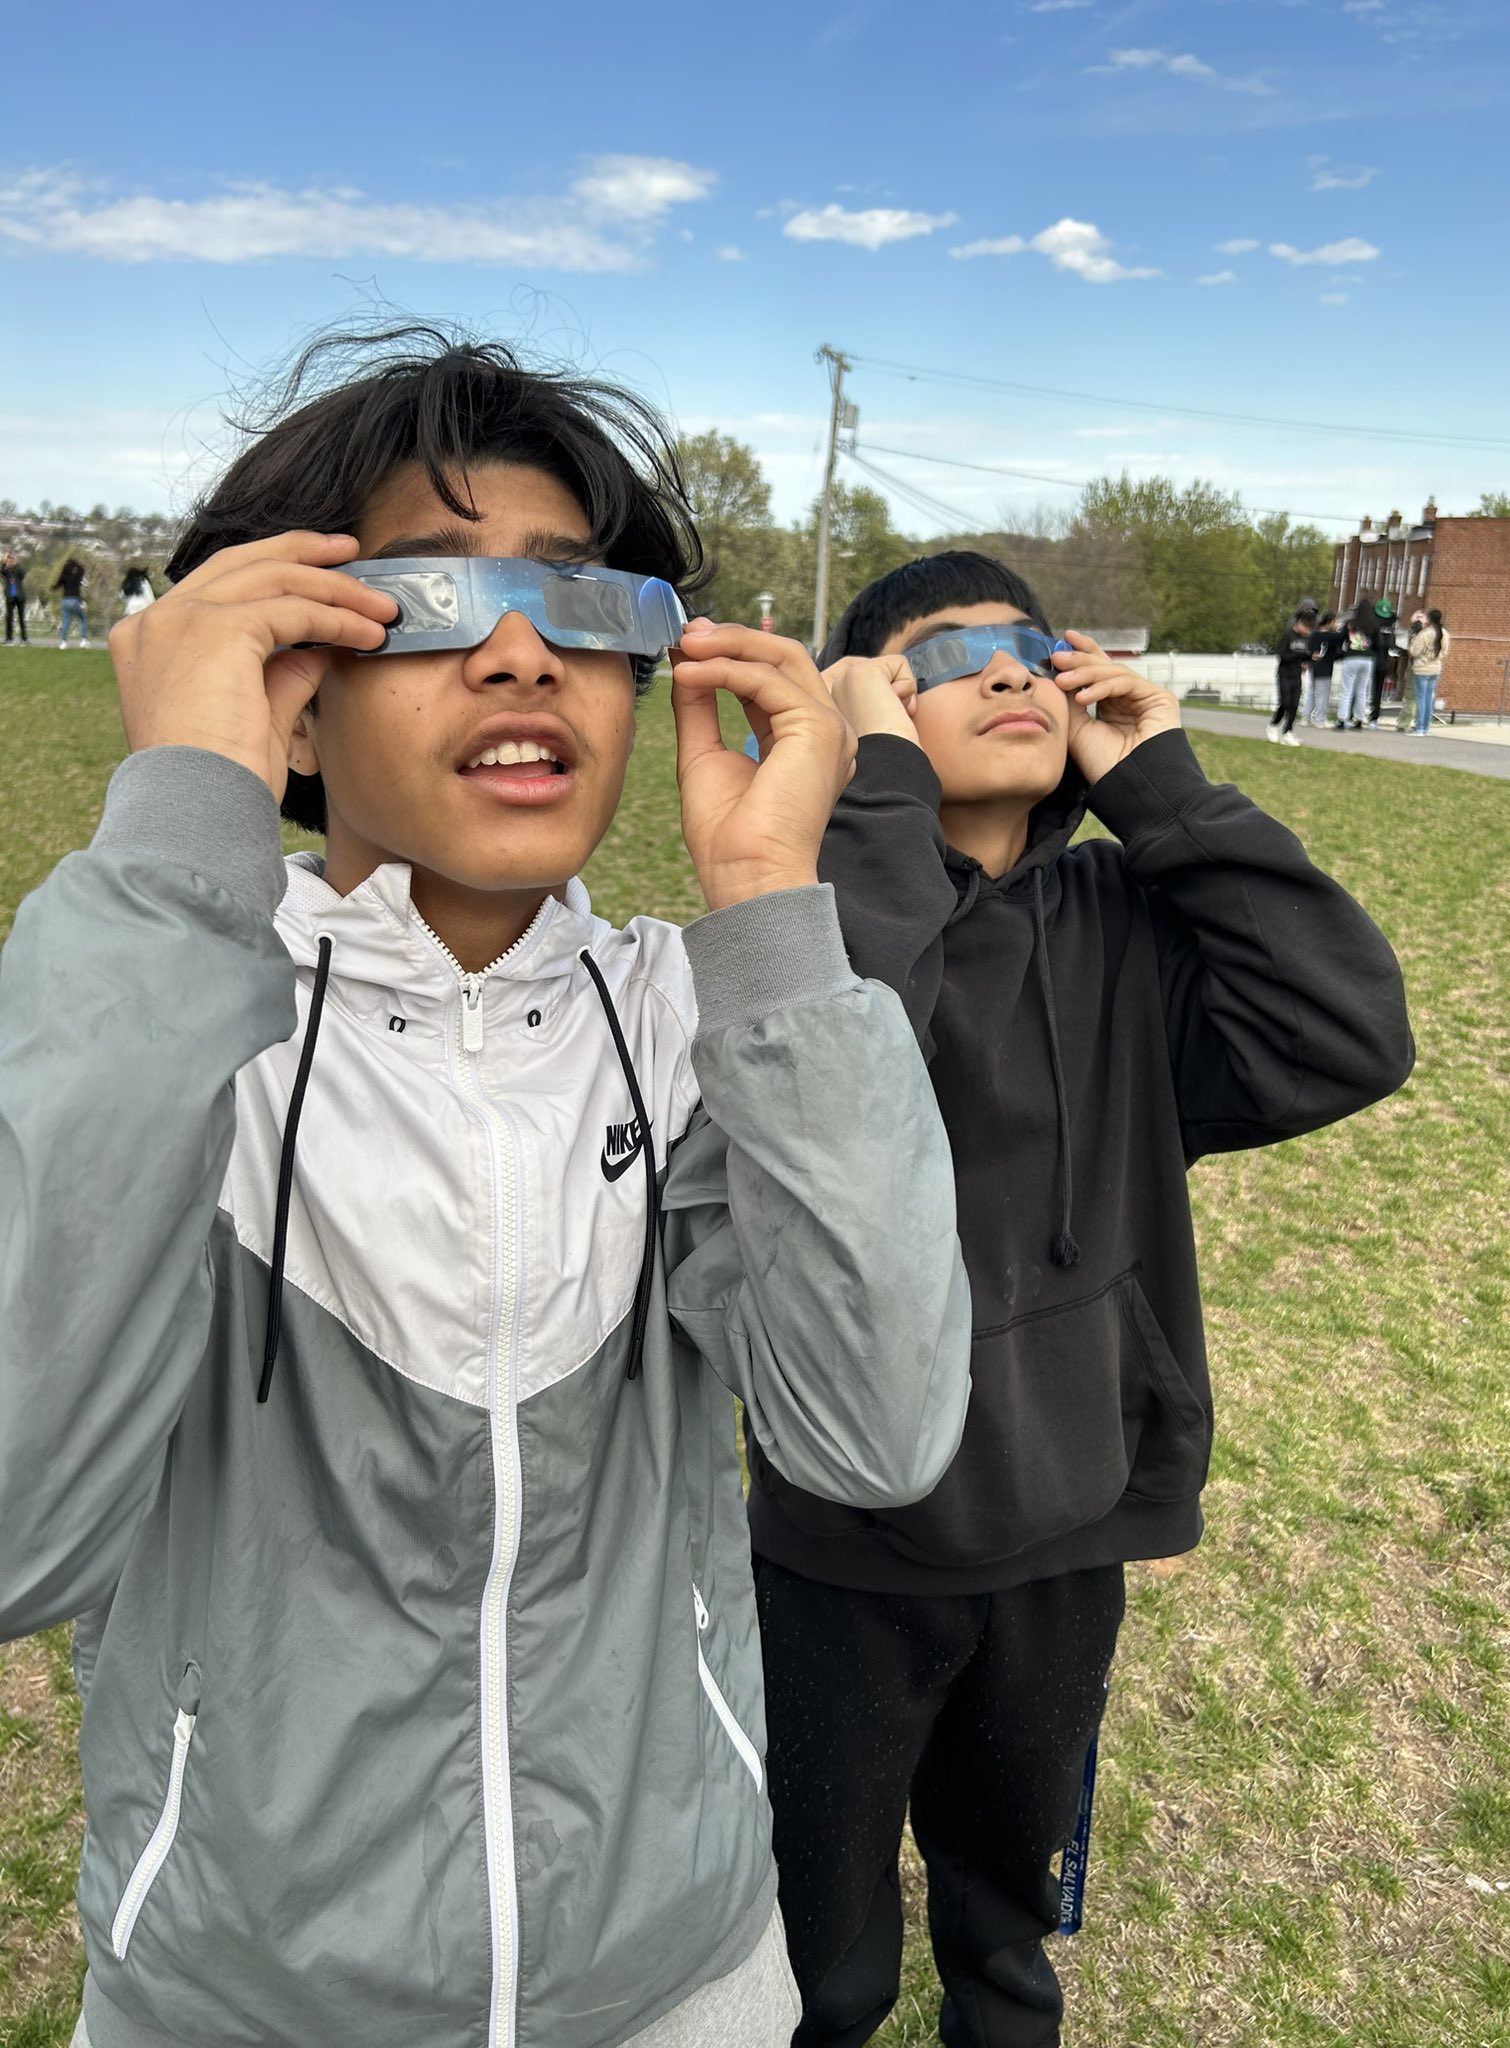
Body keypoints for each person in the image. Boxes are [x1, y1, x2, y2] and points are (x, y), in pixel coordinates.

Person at [0, 327, 973, 2048]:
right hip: (245, 1997)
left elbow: (874, 1435)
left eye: (588, 603)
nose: (525, 651)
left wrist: (771, 917)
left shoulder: (710, 1016)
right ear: (286, 673)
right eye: (429, 600)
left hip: (678, 1973)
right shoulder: (142, 1015)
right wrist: (173, 853)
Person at [750, 549, 1415, 2048]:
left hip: (1069, 1523)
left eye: (1032, 649)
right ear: (870, 710)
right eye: (949, 654)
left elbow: (1349, 1034)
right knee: (822, 1950)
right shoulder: (803, 914)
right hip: (844, 1551)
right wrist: (871, 792)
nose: (1007, 671)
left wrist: (1164, 789)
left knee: (1007, 1926)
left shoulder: (1133, 917)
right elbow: (826, 1064)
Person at [1267, 603, 1314, 745]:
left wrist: (1309, 658)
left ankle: (1288, 731)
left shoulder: (1305, 639)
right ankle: (1273, 725)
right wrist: (1299, 655)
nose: (1307, 631)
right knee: (1285, 703)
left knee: (1294, 704)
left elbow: (1304, 655)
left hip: (1297, 674)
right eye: (1306, 627)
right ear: (1299, 624)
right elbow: (1283, 655)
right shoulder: (1288, 635)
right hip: (1284, 673)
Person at [1333, 601, 1377, 729]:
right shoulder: (1373, 625)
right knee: (1362, 691)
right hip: (1367, 659)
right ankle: (1359, 719)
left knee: (1346, 690)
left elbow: (1340, 638)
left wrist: (1341, 652)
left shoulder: (1350, 624)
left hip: (1351, 657)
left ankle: (1342, 718)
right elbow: (1378, 643)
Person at [1406, 608, 1449, 735]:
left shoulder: (1425, 633)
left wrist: (1413, 639)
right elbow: (1444, 652)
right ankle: (1425, 726)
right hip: (1435, 668)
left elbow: (1414, 651)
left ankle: (1419, 727)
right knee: (1428, 698)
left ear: (1429, 619)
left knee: (1421, 698)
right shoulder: (1444, 633)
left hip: (1422, 669)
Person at [1305, 610, 1341, 725]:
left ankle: (1306, 716)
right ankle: (1320, 718)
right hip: (1325, 667)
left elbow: (1309, 649)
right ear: (1330, 622)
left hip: (1313, 666)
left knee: (1311, 692)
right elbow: (1337, 653)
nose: (1336, 624)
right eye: (1335, 622)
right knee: (1323, 694)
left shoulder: (1314, 635)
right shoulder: (1331, 637)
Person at [1366, 598, 1397, 729]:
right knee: (1378, 692)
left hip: (1370, 659)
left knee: (1364, 690)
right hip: (1383, 662)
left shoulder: (1371, 625)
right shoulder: (1390, 627)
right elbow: (1392, 645)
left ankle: (1359, 714)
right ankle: (1374, 718)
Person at [53, 555, 90, 645]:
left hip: (65, 601)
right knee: (83, 618)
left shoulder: (63, 577)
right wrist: (74, 562)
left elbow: (56, 586)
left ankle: (63, 642)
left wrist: (52, 588)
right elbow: (82, 569)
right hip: (75, 600)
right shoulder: (77, 576)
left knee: (66, 621)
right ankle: (83, 640)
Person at [2, 551, 26, 642]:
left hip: (20, 597)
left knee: (21, 618)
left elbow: (22, 574)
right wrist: (5, 562)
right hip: (10, 597)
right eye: (10, 559)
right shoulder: (7, 571)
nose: (11, 561)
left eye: (12, 559)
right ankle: (9, 638)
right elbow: (2, 572)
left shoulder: (18, 570)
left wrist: (16, 564)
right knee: (9, 618)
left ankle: (24, 638)